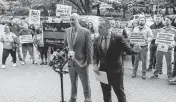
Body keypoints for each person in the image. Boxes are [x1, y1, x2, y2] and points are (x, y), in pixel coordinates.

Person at [93, 18, 137, 102]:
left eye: (100, 27)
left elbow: (129, 51)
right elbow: (96, 55)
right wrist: (95, 64)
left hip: (116, 71)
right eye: (98, 27)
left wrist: (135, 50)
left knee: (119, 94)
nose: (98, 29)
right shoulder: (97, 39)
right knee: (106, 95)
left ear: (108, 27)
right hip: (102, 71)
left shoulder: (118, 38)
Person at [64, 13, 93, 102]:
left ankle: (87, 98)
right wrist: (66, 57)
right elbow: (65, 45)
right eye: (70, 20)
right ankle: (73, 98)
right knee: (73, 83)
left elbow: (89, 49)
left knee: (85, 83)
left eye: (73, 19)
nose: (72, 21)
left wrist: (87, 62)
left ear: (78, 20)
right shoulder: (67, 31)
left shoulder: (86, 32)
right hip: (71, 63)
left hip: (82, 62)